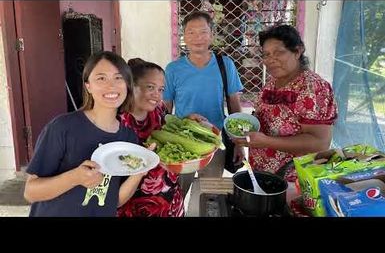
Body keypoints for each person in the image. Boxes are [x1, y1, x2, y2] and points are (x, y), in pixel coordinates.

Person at [23, 51, 144, 217]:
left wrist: (140, 171)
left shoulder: (128, 138)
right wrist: (75, 178)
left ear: (127, 85)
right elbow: (30, 192)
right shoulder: (62, 128)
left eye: (118, 78)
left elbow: (113, 201)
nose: (111, 86)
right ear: (88, 85)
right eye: (101, 78)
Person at [233, 24, 338, 182]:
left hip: (292, 180)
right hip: (263, 174)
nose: (271, 60)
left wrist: (266, 142)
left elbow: (320, 143)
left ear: (297, 51)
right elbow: (265, 116)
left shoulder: (313, 88)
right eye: (266, 54)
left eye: (279, 53)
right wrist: (242, 139)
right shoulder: (273, 82)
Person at [163, 11, 244, 196]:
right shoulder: (173, 69)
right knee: (176, 195)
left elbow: (235, 107)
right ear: (184, 36)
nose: (197, 38)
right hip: (181, 143)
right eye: (191, 32)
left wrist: (239, 143)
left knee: (210, 197)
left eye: (203, 32)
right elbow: (165, 110)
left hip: (214, 142)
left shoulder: (226, 65)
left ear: (212, 35)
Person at [117, 58, 184, 217]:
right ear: (132, 86)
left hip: (171, 200)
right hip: (137, 206)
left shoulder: (159, 110)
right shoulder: (118, 124)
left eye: (161, 89)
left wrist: (187, 122)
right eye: (150, 87)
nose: (157, 95)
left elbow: (169, 134)